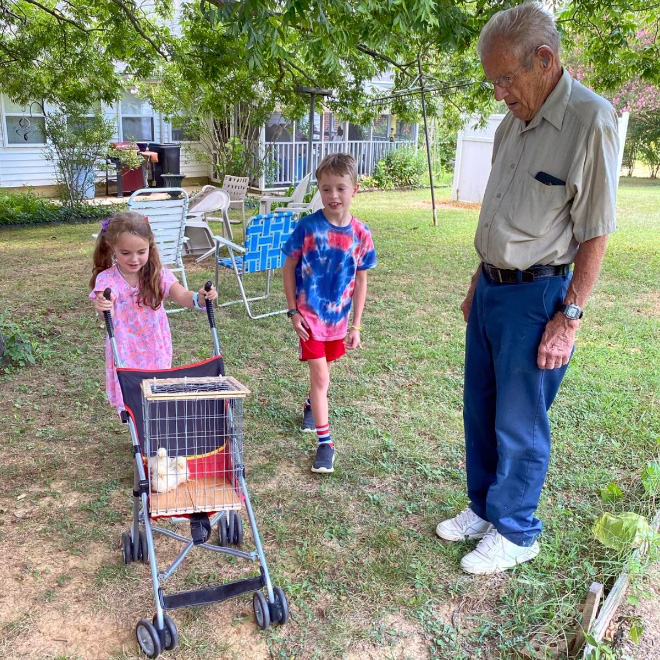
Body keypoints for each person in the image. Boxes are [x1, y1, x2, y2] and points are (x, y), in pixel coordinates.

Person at [435, 2, 619, 574]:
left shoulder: (592, 121)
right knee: (481, 407)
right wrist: (476, 279)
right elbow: (499, 211)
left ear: (544, 59)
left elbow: (595, 232)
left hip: (538, 297)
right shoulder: (511, 122)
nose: (499, 94)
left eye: (505, 79)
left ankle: (518, 531)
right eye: (493, 81)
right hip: (491, 288)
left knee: (520, 418)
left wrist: (569, 318)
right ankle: (485, 508)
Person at [282, 153, 377, 473]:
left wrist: (357, 325)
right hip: (309, 317)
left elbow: (361, 279)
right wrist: (293, 311)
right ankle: (326, 444)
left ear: (355, 189)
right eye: (325, 189)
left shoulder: (361, 234)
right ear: (319, 191)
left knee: (323, 376)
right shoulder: (307, 228)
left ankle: (311, 404)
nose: (333, 196)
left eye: (340, 188)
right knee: (321, 376)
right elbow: (289, 266)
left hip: (337, 321)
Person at [89, 211, 218, 411]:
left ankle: (155, 434)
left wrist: (199, 298)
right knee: (131, 396)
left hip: (155, 347)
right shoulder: (107, 280)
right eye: (125, 253)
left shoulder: (159, 274)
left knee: (157, 394)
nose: (134, 259)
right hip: (125, 349)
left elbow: (182, 295)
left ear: (150, 246)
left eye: (141, 252)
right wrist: (103, 306)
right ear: (112, 247)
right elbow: (107, 314)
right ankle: (138, 434)